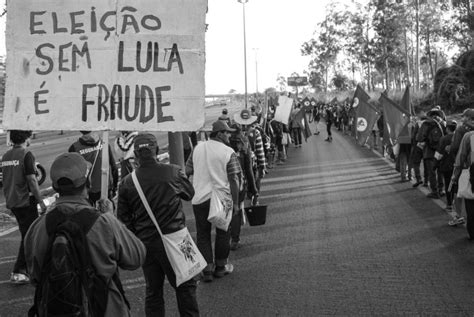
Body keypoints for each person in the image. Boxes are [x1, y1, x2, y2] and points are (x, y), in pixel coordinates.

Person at [24, 152, 146, 316]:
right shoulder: (103, 223)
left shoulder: (37, 228)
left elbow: (34, 277)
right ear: (87, 183)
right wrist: (110, 216)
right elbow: (136, 256)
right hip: (105, 308)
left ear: (55, 187)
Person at [117, 133, 199, 316]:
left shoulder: (127, 182)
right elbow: (189, 194)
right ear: (156, 150)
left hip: (147, 243)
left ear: (136, 154)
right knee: (185, 286)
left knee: (153, 291)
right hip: (176, 238)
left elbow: (124, 220)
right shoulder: (173, 171)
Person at [185, 120, 240, 283]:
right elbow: (234, 178)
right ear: (220, 134)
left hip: (200, 198)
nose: (229, 135)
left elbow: (187, 170)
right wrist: (236, 203)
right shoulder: (228, 152)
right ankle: (221, 267)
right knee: (223, 231)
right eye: (227, 132)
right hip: (221, 198)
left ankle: (207, 270)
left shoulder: (198, 148)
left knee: (203, 234)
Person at [1, 130, 46, 284]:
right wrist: (40, 201)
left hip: (12, 201)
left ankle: (31, 266)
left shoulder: (6, 156)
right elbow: (32, 180)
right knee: (29, 235)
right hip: (25, 201)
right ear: (26, 139)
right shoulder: (26, 154)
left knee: (27, 233)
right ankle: (19, 271)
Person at [69, 131, 119, 205]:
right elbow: (114, 167)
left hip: (87, 191)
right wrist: (114, 187)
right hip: (106, 187)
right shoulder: (104, 143)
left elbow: (73, 175)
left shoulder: (74, 148)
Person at [228, 131, 258, 251]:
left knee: (228, 211)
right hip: (239, 185)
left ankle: (227, 234)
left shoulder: (226, 151)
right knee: (236, 210)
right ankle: (235, 239)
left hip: (223, 185)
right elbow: (249, 171)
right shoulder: (244, 152)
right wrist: (254, 190)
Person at [416, 108, 446, 198]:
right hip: (440, 150)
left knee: (432, 172)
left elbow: (419, 138)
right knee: (440, 171)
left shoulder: (426, 123)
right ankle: (442, 189)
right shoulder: (443, 123)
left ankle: (435, 191)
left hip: (429, 151)